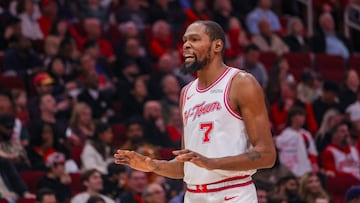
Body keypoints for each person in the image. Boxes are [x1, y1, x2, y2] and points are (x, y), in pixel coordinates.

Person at [114, 20, 276, 203]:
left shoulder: (241, 83)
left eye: (195, 39)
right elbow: (186, 167)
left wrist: (212, 163)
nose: (186, 46)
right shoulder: (187, 93)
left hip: (233, 193)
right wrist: (152, 165)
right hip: (193, 196)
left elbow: (267, 155)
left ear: (217, 45)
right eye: (184, 41)